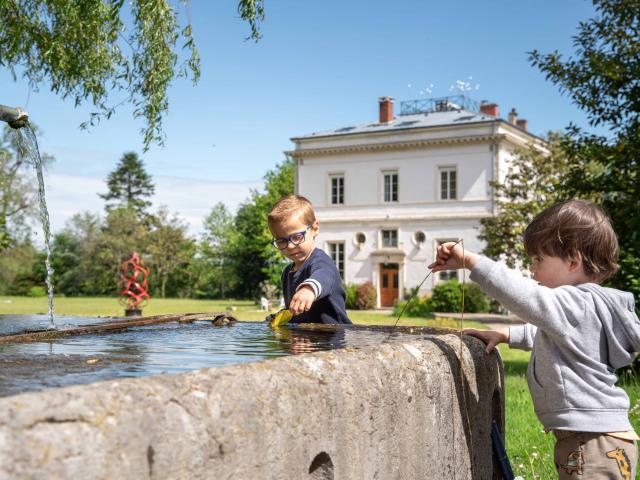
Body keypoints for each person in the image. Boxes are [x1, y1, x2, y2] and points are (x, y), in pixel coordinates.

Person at [429, 199, 640, 479]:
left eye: (539, 259)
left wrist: (471, 261)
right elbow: (552, 333)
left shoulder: (575, 302)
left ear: (573, 261)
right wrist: (506, 334)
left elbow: (528, 297)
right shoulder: (587, 307)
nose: (532, 269)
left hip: (593, 442)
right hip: (597, 437)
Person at [267, 194, 351, 324]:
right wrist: (276, 318)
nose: (290, 245)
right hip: (307, 340)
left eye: (297, 237)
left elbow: (324, 276)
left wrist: (309, 289)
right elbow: (296, 311)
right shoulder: (287, 273)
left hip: (334, 339)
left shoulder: (321, 261)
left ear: (314, 229)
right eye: (281, 241)